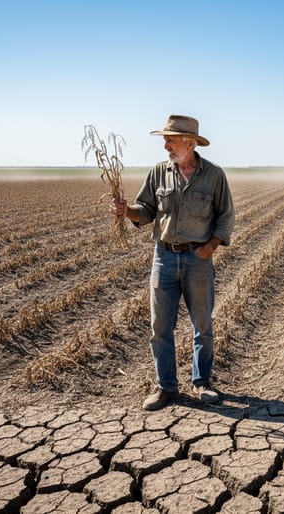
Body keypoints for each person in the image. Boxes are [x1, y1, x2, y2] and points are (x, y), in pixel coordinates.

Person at [111, 114, 235, 410]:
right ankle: (166, 387)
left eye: (171, 140)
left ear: (189, 143)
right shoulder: (158, 173)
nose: (165, 145)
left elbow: (226, 215)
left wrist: (212, 246)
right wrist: (126, 211)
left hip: (197, 260)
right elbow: (146, 210)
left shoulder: (214, 175)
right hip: (164, 258)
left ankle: (201, 383)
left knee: (202, 326)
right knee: (160, 328)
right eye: (165, 139)